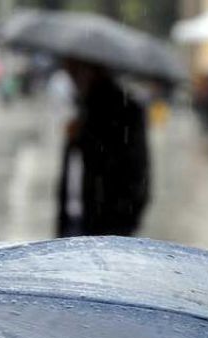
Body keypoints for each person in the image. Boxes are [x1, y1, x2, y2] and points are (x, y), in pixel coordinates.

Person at [56, 60, 150, 238]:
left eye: (75, 70)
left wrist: (122, 224)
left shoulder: (125, 110)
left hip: (107, 227)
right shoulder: (81, 107)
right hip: (73, 218)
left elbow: (135, 172)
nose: (71, 76)